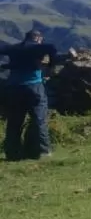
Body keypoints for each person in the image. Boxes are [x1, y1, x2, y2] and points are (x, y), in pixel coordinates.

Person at [1, 30, 57, 160]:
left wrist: (8, 65)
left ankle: (12, 153)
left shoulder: (13, 48)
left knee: (14, 122)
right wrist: (50, 66)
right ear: (38, 38)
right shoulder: (37, 47)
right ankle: (42, 151)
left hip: (13, 88)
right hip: (33, 87)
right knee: (39, 119)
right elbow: (52, 48)